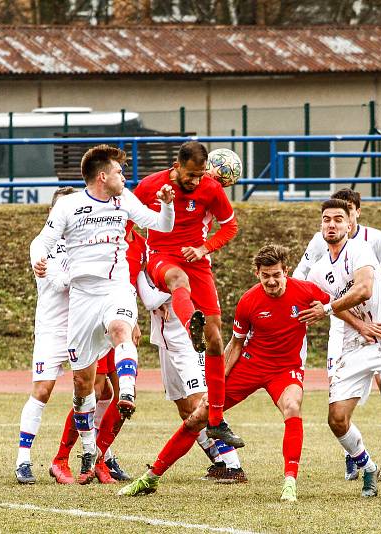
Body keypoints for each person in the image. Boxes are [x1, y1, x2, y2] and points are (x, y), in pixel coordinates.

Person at [119, 244, 330, 502]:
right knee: (198, 417)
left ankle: (289, 483)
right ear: (257, 273)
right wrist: (216, 387)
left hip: (286, 369)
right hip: (250, 366)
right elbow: (236, 345)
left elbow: (339, 301)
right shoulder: (249, 301)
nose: (272, 281)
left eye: (276, 275)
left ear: (286, 271)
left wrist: (327, 311)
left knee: (292, 406)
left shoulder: (306, 291)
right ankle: (150, 478)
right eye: (266, 276)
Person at [30, 144, 175, 484]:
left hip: (115, 288)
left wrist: (167, 203)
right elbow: (42, 241)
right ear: (102, 176)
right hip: (81, 298)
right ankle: (89, 450)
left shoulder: (123, 201)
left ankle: (127, 391)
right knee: (83, 385)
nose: (124, 178)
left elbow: (162, 226)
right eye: (120, 172)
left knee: (121, 329)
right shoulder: (69, 205)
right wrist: (40, 260)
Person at [299, 199, 381, 499]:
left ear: (349, 224)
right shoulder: (317, 271)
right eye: (326, 219)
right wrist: (360, 325)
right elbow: (329, 305)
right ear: (321, 225)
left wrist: (329, 308)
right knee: (337, 419)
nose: (332, 224)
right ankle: (366, 465)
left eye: (338, 219)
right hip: (352, 346)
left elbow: (364, 289)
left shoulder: (361, 250)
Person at [133, 141, 242, 448]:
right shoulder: (150, 185)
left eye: (200, 175)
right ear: (177, 165)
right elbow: (127, 217)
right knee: (177, 280)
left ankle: (217, 419)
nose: (195, 181)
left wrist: (204, 248)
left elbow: (230, 227)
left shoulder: (211, 188)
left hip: (197, 260)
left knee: (217, 341)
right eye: (190, 175)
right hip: (161, 257)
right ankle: (188, 323)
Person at [50, 224, 147, 485]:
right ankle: (62, 458)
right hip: (94, 322)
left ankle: (100, 458)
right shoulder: (99, 235)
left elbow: (136, 284)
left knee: (126, 397)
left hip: (121, 321)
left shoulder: (140, 242)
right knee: (94, 389)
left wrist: (135, 318)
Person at [136, 270, 246, 484]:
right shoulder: (150, 252)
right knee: (185, 408)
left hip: (188, 342)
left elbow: (150, 298)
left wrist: (154, 289)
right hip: (164, 341)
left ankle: (234, 467)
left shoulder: (187, 257)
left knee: (200, 401)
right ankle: (219, 462)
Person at [15, 186, 75, 484]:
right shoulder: (40, 244)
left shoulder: (84, 239)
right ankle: (23, 460)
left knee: (97, 392)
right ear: (52, 213)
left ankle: (98, 458)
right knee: (42, 390)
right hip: (52, 329)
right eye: (62, 209)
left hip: (83, 327)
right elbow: (62, 282)